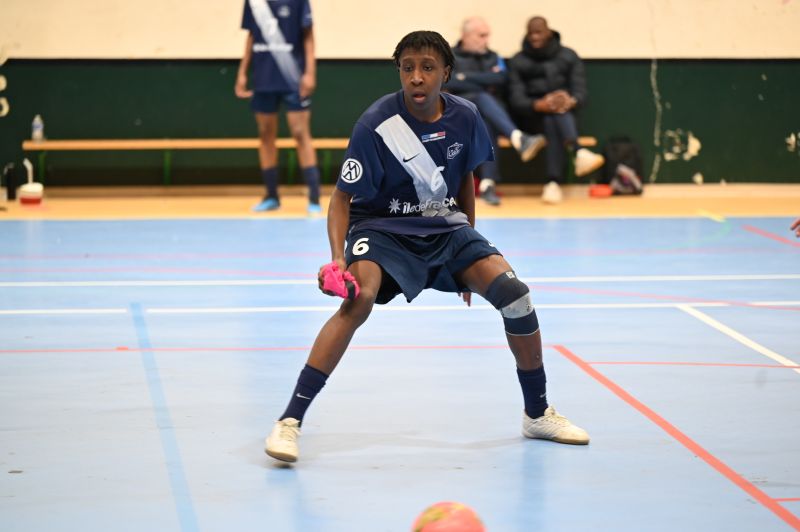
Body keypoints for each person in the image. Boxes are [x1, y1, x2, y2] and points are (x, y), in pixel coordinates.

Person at [264, 30, 589, 464]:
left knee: (517, 298)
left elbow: (465, 180)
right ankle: (289, 420)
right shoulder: (376, 123)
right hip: (382, 229)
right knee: (358, 301)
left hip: (446, 228)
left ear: (446, 73)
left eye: (428, 67)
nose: (417, 77)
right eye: (408, 68)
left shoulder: (466, 115)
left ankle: (537, 413)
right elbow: (341, 199)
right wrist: (338, 258)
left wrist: (472, 249)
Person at [445, 16, 546, 206]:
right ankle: (518, 138)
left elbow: (500, 79)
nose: (486, 40)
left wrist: (465, 77)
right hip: (458, 114)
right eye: (481, 35)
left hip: (487, 115)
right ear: (466, 36)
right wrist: (481, 80)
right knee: (481, 97)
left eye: (487, 35)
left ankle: (488, 185)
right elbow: (450, 81)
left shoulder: (493, 56)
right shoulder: (449, 56)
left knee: (485, 120)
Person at [236, 0, 322, 214]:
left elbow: (309, 36)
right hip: (263, 78)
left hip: (293, 77)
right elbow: (251, 36)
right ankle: (271, 195)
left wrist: (310, 72)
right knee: (265, 134)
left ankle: (314, 197)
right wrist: (242, 72)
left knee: (300, 133)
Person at [508, 16, 605, 204]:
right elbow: (516, 100)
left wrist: (570, 101)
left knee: (554, 116)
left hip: (564, 115)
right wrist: (539, 104)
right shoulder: (518, 60)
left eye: (539, 32)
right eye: (531, 33)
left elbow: (581, 93)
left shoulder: (569, 56)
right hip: (531, 119)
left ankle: (552, 184)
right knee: (552, 115)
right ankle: (577, 153)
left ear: (549, 32)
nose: (535, 37)